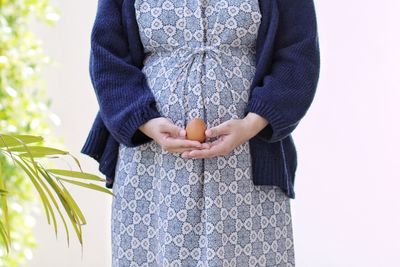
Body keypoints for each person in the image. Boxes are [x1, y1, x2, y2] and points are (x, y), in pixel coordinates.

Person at [86, 0, 320, 265]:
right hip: (152, 168)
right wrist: (145, 122)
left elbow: (298, 53)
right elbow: (107, 56)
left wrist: (251, 125)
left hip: (246, 162)